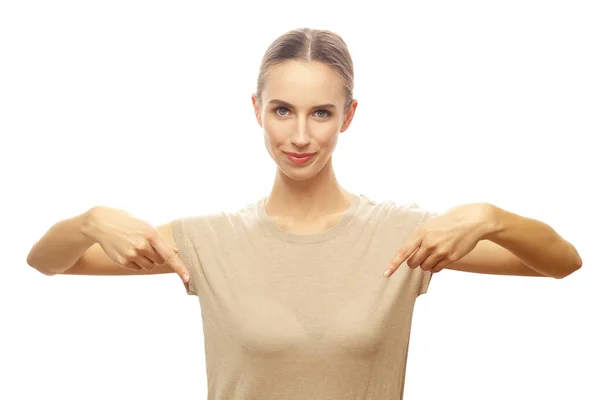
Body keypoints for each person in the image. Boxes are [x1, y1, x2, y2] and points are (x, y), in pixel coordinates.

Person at [27, 27, 583, 399]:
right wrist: (87, 220)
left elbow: (562, 263)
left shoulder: (406, 236)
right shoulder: (206, 241)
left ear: (348, 116)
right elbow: (49, 263)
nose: (299, 136)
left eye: (320, 113)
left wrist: (491, 216)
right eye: (282, 111)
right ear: (256, 111)